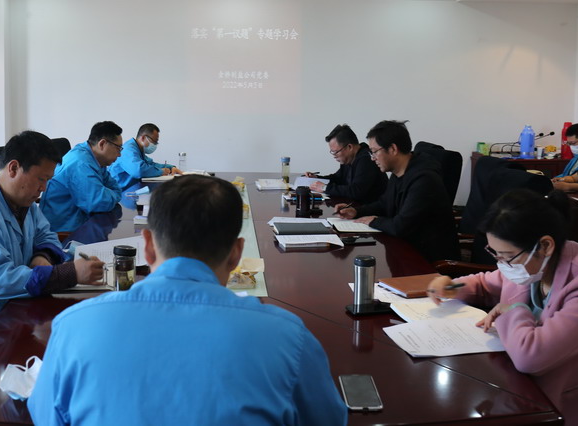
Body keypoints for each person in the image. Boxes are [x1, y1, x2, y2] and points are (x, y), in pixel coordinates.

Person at [28, 175, 347, 425]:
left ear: (147, 246)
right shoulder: (288, 338)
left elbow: (45, 416)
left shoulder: (72, 327)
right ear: (236, 253)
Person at [427, 189, 578, 426]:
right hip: (519, 383)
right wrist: (452, 287)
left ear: (545, 246)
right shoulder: (531, 265)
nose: (502, 264)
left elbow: (532, 357)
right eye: (495, 254)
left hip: (574, 398)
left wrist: (513, 310)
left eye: (506, 256)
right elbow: (486, 283)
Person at [0, 131, 104, 334]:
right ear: (13, 168)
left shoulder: (25, 202)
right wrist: (70, 273)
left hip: (19, 305)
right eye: (41, 179)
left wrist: (42, 256)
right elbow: (0, 280)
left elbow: (46, 235)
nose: (44, 188)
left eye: (48, 180)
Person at [335, 120, 459, 262]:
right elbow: (384, 203)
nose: (372, 158)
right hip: (406, 249)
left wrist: (374, 221)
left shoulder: (425, 180)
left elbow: (400, 226)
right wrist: (357, 211)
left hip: (429, 261)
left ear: (393, 149)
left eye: (374, 152)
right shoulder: (399, 171)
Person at [40, 121, 123, 232]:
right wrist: (111, 194)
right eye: (118, 148)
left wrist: (108, 194)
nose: (119, 154)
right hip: (64, 232)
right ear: (102, 144)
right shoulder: (81, 163)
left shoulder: (96, 159)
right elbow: (98, 203)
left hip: (83, 222)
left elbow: (116, 188)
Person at [304, 124, 387, 203]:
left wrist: (324, 187)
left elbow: (356, 191)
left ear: (349, 147)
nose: (334, 156)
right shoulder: (349, 159)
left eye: (335, 152)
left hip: (372, 209)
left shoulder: (367, 159)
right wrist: (316, 178)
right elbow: (338, 178)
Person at [109, 123, 183, 191]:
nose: (155, 144)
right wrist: (161, 171)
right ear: (143, 138)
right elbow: (138, 170)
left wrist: (170, 167)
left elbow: (151, 164)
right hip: (120, 191)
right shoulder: (128, 149)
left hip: (129, 188)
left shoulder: (138, 150)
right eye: (154, 141)